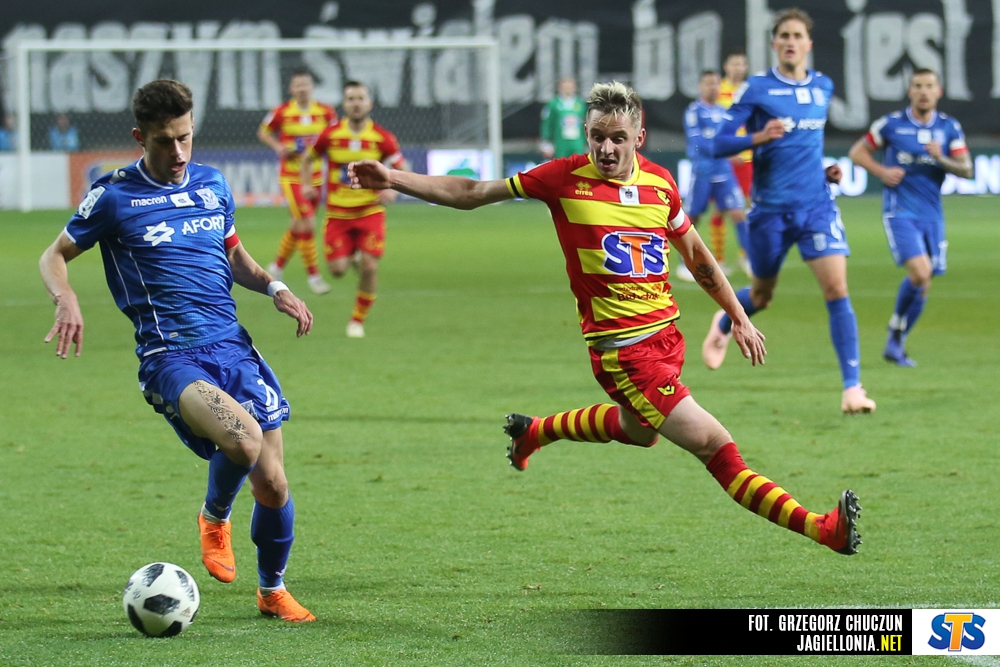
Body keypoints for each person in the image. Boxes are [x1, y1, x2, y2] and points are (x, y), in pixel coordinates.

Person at [348, 81, 862, 557]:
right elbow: (471, 193)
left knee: (640, 432)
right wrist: (393, 177)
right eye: (597, 137)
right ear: (586, 134)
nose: (607, 149)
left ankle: (535, 432)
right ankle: (822, 529)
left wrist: (738, 315)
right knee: (714, 445)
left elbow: (695, 253)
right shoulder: (562, 178)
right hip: (626, 354)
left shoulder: (660, 183)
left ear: (639, 137)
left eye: (618, 138)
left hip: (668, 339)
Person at [39, 79, 317, 622]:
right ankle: (214, 516)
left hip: (233, 347)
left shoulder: (212, 184)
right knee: (243, 441)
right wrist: (65, 297)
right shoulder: (113, 196)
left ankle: (272, 590)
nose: (179, 151)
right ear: (140, 138)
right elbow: (54, 255)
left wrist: (275, 287)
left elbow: (233, 255)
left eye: (185, 137)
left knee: (273, 482)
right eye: (165, 141)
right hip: (171, 357)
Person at [703, 8, 877, 414]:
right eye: (784, 35)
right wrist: (759, 137)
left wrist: (824, 171)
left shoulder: (823, 86)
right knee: (762, 295)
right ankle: (724, 322)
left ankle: (852, 389)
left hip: (817, 206)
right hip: (770, 213)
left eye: (798, 35)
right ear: (774, 43)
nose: (791, 42)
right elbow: (717, 144)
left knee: (837, 290)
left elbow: (805, 146)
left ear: (809, 43)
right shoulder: (757, 89)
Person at [848, 69, 971, 367]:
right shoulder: (891, 124)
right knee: (920, 272)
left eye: (929, 86)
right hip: (900, 210)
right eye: (918, 86)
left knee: (924, 283)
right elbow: (857, 153)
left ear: (939, 91)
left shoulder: (948, 127)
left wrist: (941, 158)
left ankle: (897, 338)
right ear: (909, 92)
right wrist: (882, 172)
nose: (924, 91)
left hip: (932, 214)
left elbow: (966, 169)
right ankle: (895, 337)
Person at [303, 80, 407, 338]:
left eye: (361, 98)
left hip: (369, 211)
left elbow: (402, 168)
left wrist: (393, 190)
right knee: (337, 271)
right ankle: (354, 257)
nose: (356, 103)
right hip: (337, 214)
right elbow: (308, 158)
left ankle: (357, 321)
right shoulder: (331, 134)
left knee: (370, 266)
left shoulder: (381, 137)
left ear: (370, 103)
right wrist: (306, 185)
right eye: (351, 99)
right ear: (344, 104)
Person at [258, 68, 336, 295]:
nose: (302, 89)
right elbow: (263, 132)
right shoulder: (282, 112)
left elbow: (334, 136)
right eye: (298, 85)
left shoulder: (325, 112)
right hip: (292, 177)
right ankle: (314, 276)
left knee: (298, 225)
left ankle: (276, 266)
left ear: (312, 87)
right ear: (292, 89)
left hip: (316, 176)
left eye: (306, 84)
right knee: (308, 223)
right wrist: (279, 147)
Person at [677, 70, 749, 283]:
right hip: (703, 170)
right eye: (708, 83)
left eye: (716, 83)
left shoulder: (723, 112)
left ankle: (748, 259)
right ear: (701, 86)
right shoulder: (694, 111)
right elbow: (698, 142)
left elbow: (730, 139)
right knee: (693, 217)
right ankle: (684, 263)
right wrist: (725, 151)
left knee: (738, 213)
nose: (713, 87)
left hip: (724, 170)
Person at [717, 52, 753, 277]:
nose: (738, 67)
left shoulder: (751, 91)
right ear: (726, 66)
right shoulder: (717, 91)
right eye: (734, 63)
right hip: (724, 159)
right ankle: (719, 258)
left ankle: (745, 255)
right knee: (720, 209)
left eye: (742, 63)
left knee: (750, 208)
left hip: (748, 158)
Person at [539, 77, 587, 159]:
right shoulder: (553, 104)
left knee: (579, 164)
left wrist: (588, 141)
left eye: (570, 87)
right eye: (565, 87)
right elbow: (547, 123)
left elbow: (586, 122)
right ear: (559, 88)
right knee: (562, 164)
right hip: (560, 143)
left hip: (577, 143)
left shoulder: (580, 103)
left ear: (575, 88)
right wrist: (546, 141)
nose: (568, 90)